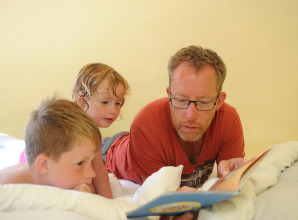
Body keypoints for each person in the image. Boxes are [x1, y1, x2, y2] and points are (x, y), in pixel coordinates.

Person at [105, 45, 246, 189]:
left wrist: (229, 173)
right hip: (108, 152)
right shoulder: (145, 126)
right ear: (169, 94)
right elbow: (164, 199)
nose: (190, 116)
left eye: (203, 102)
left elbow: (231, 182)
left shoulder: (228, 120)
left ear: (219, 102)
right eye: (181, 100)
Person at [19, 63, 130, 198]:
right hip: (38, 162)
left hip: (41, 163)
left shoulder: (83, 125)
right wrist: (109, 203)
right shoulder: (80, 130)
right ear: (82, 100)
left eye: (118, 103)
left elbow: (99, 170)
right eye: (105, 102)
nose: (113, 110)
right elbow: (100, 172)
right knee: (88, 188)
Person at [0, 97, 101, 193]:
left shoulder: (60, 176)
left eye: (90, 162)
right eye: (80, 163)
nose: (92, 173)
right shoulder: (9, 190)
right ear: (45, 164)